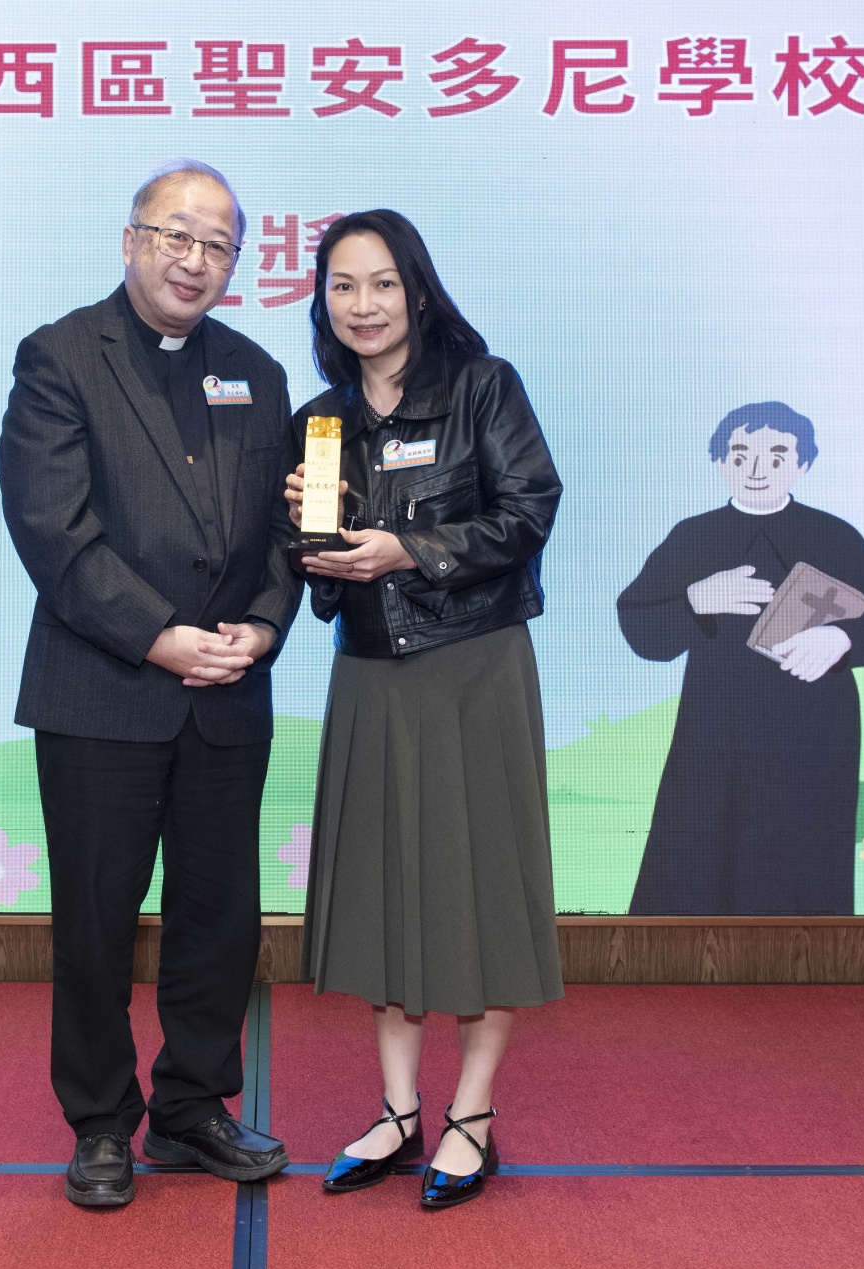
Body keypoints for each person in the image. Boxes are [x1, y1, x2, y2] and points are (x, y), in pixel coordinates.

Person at [0, 159, 302, 1208]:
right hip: (102, 690)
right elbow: (52, 529)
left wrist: (264, 624)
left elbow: (285, 528)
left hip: (229, 692)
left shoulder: (258, 372)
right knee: (96, 920)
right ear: (131, 241)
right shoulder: (60, 357)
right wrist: (159, 636)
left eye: (218, 244)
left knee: (221, 917)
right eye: (177, 235)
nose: (195, 259)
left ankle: (191, 1107)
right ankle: (98, 1122)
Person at [286, 210, 562, 1211]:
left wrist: (409, 548)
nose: (362, 305)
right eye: (342, 286)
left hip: (475, 664)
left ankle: (471, 1114)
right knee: (384, 887)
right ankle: (399, 1109)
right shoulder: (321, 421)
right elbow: (319, 570)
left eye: (382, 283)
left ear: (417, 289)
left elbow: (528, 510)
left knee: (483, 887)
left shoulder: (483, 386)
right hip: (370, 671)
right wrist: (304, 531)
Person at [616, 402, 864, 915]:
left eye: (776, 456)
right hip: (715, 723)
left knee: (805, 850)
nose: (756, 470)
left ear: (803, 465)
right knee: (700, 847)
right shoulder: (693, 536)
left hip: (815, 725)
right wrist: (694, 601)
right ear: (719, 463)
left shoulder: (832, 534)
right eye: (739, 455)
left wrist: (841, 639)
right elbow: (641, 627)